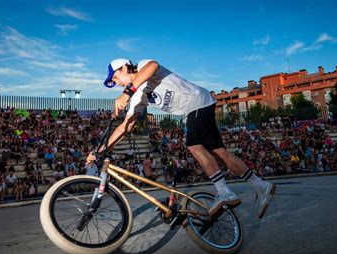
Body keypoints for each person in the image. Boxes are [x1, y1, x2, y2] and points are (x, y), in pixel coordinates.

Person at [87, 58, 277, 218]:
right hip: (196, 109)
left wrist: (127, 92)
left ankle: (224, 192)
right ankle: (262, 186)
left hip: (197, 102)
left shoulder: (144, 66)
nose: (117, 82)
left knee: (193, 145)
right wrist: (99, 151)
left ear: (124, 68)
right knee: (221, 153)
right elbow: (125, 127)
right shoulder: (138, 98)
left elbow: (152, 66)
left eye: (116, 77)